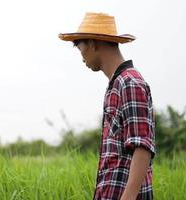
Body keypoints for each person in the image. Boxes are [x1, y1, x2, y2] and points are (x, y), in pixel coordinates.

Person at [59, 12, 156, 200]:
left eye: (81, 50)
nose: (82, 59)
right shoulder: (117, 83)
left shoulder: (129, 83)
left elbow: (142, 147)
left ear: (94, 44)